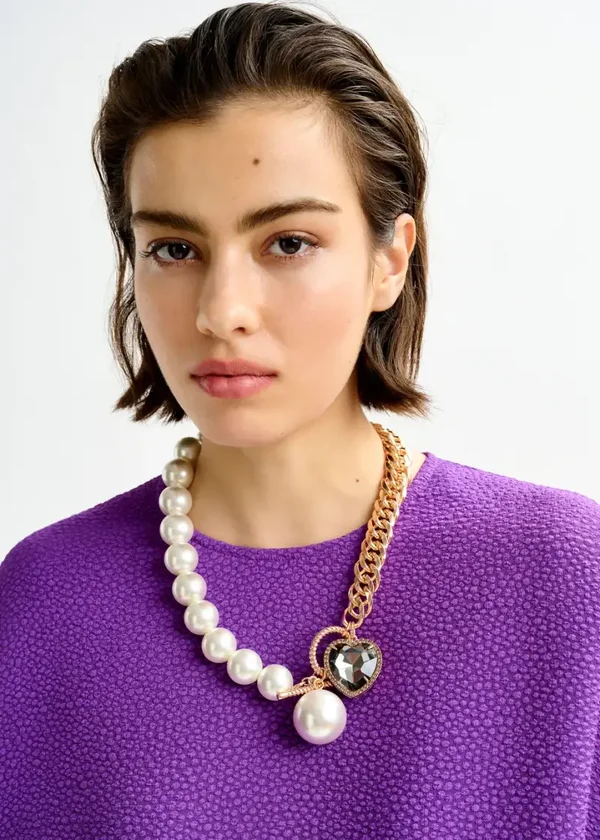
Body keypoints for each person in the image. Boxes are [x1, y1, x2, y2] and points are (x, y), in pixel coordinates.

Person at [1, 3, 599, 838]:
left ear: (390, 259)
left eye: (287, 242)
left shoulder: (569, 580)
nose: (222, 311)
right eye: (174, 249)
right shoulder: (44, 604)